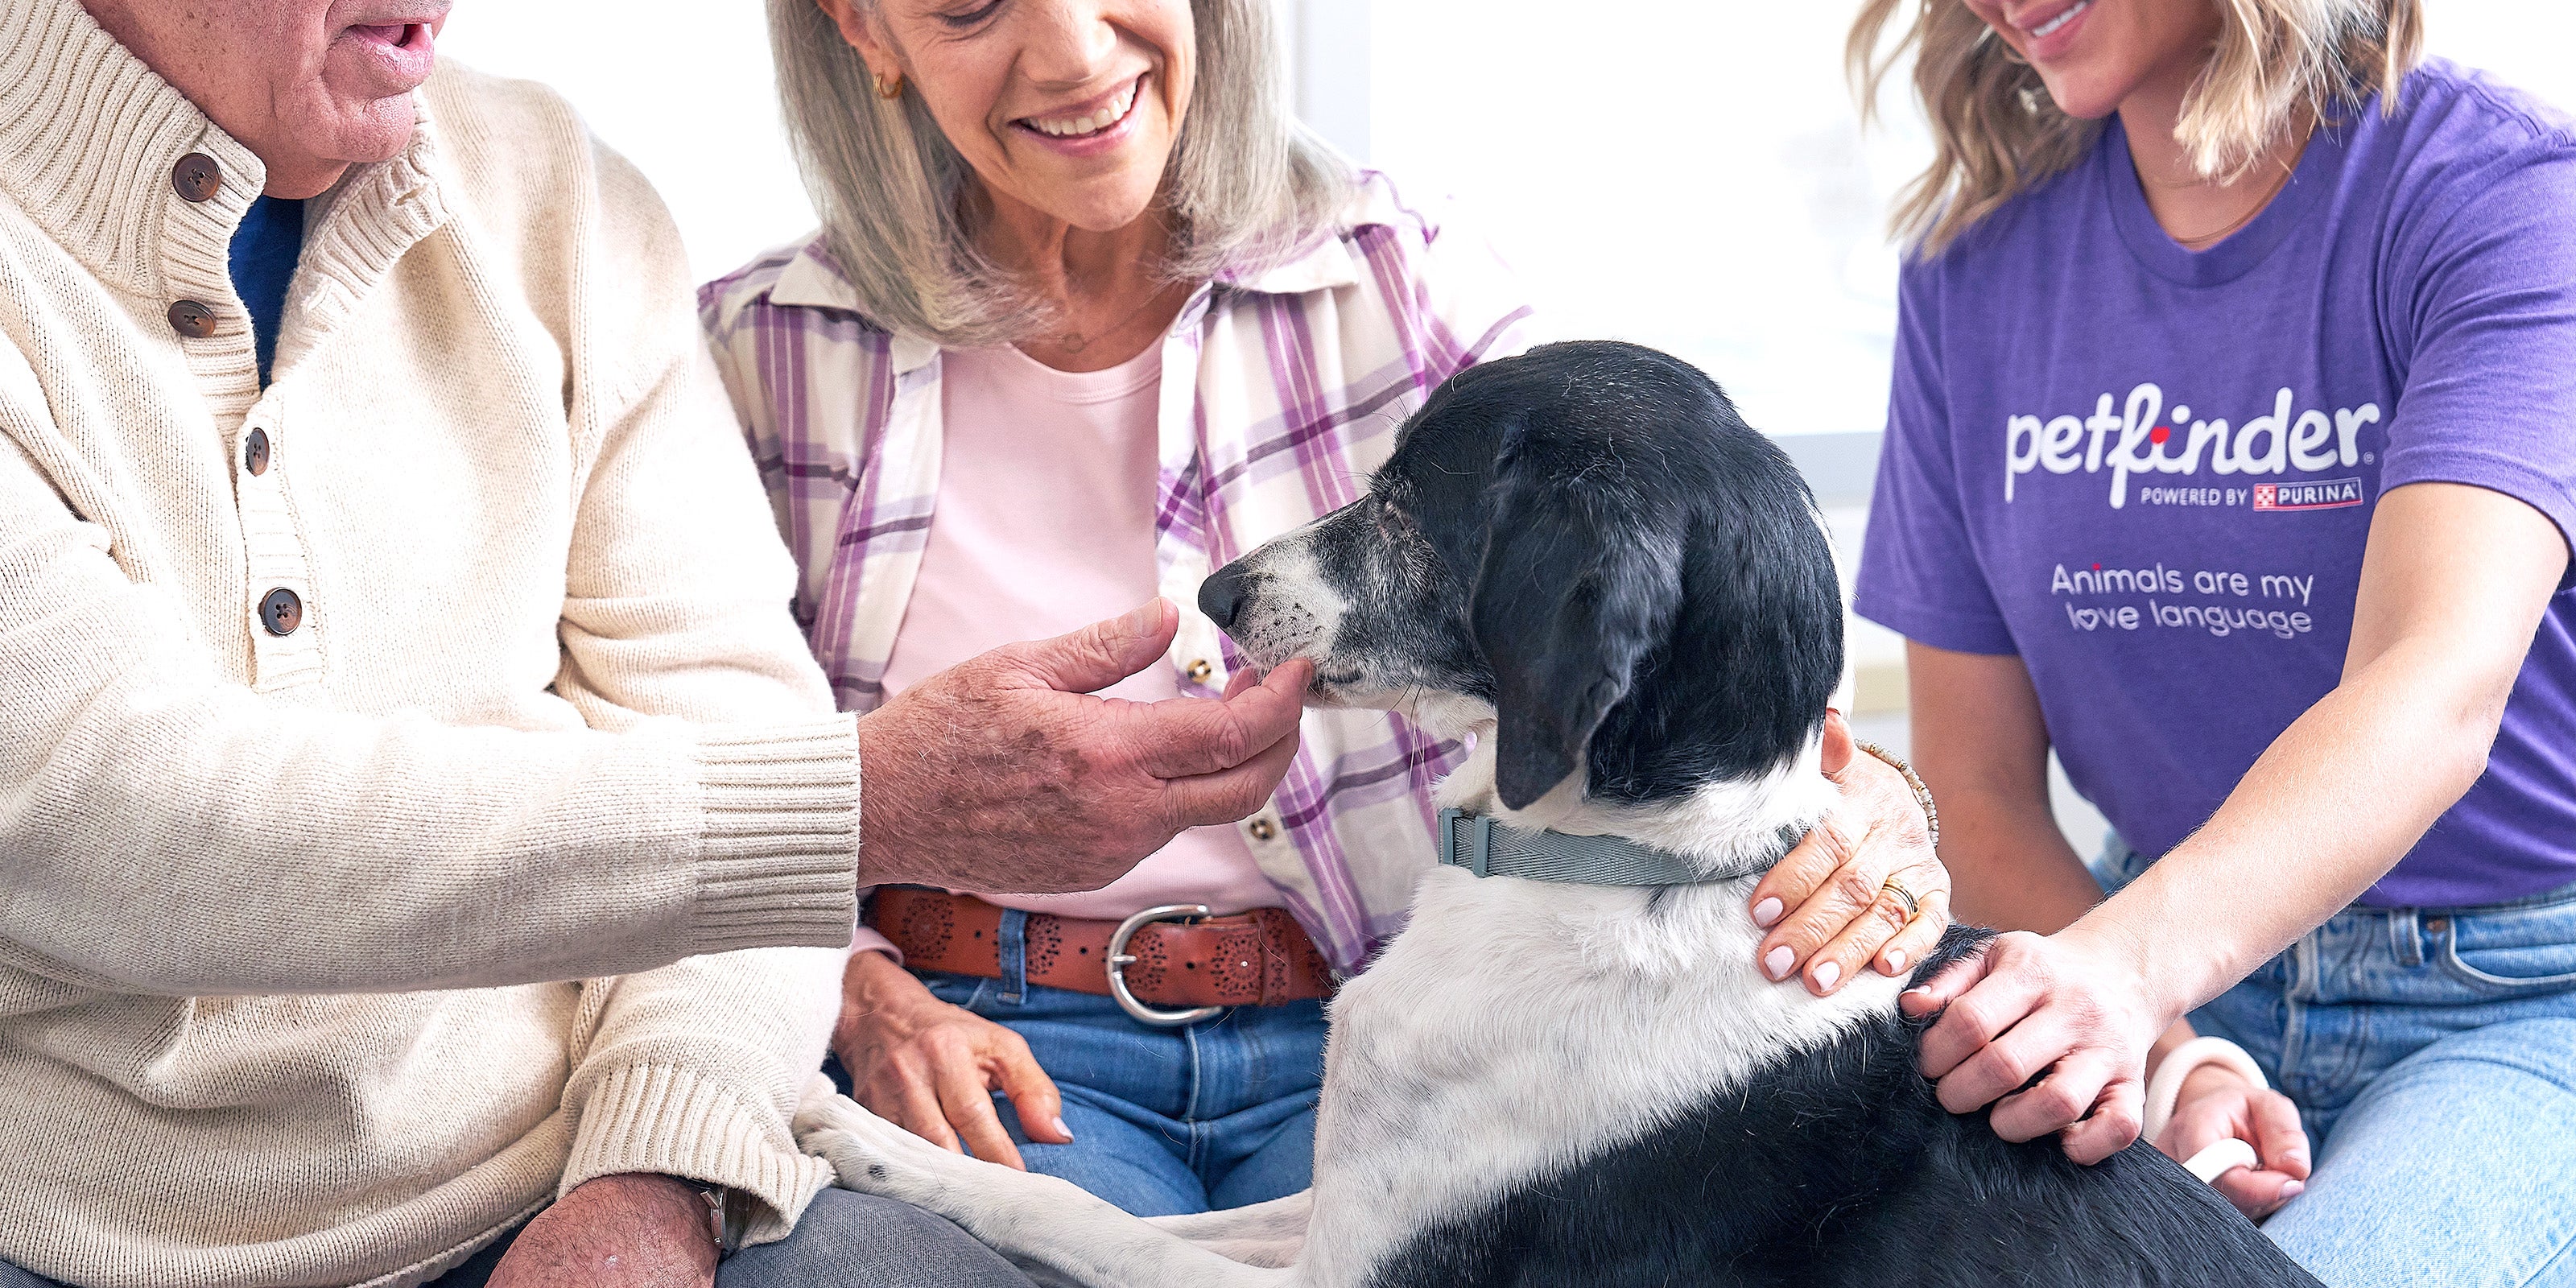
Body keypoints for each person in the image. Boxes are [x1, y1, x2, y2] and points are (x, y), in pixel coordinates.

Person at [0, 0, 1316, 1284]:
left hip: (583, 1163)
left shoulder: (561, 195)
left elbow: (729, 721)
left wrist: (659, 1174)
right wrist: (864, 803)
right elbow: (108, 822)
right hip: (107, 1234)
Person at [704, 0, 1955, 1221]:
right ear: (862, 27)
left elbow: (1680, 608)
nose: (1076, 53)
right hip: (991, 1043)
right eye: (974, 7)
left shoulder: (1408, 273)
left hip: (1406, 1018)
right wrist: (862, 1001)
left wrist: (1878, 797)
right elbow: (685, 786)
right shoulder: (761, 350)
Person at [1847, 0, 2576, 1282]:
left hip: (2516, 995)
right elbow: (1973, 788)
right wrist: (2172, 1045)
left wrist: (2125, 978)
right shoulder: (1972, 269)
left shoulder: (2502, 196)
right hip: (2155, 950)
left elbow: (2436, 685)